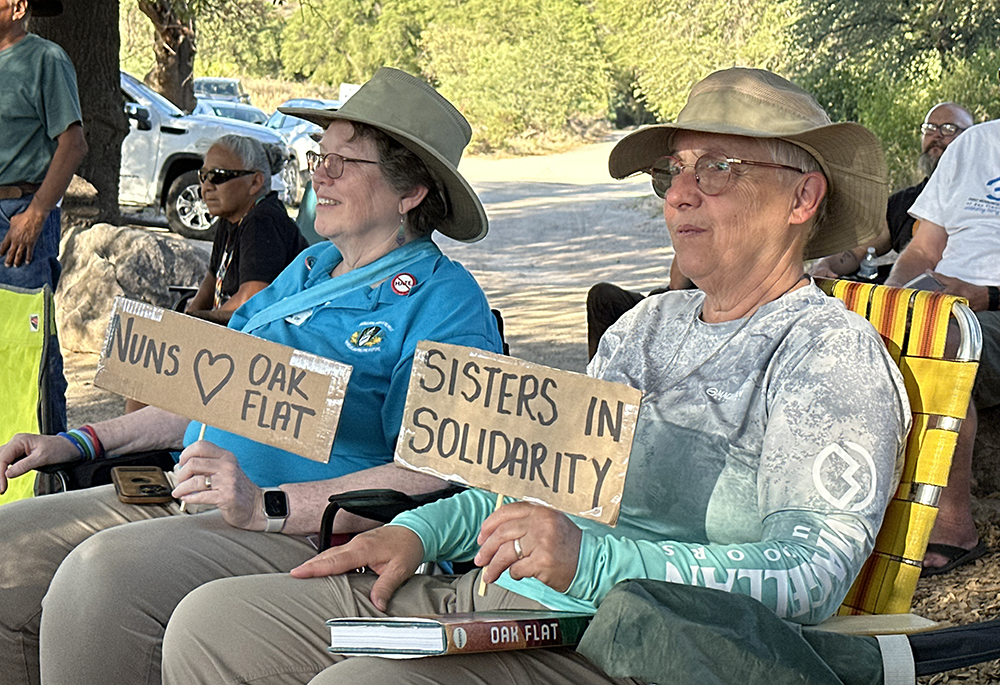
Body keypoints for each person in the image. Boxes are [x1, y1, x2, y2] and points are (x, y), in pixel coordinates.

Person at [160, 68, 911, 685]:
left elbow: (812, 573)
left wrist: (594, 557)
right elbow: (538, 479)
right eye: (671, 170)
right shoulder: (646, 328)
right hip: (508, 599)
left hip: (630, 645)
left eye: (718, 167)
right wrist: (420, 531)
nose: (680, 193)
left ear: (803, 197)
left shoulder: (826, 355)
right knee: (216, 625)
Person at [0, 67, 502, 685]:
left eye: (348, 161)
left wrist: (266, 504)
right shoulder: (313, 267)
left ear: (411, 192)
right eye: (322, 155)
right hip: (188, 493)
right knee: (5, 551)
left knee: (101, 576)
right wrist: (78, 442)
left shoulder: (446, 303)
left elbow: (438, 468)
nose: (322, 172)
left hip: (303, 527)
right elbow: (216, 391)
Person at [883, 114, 1000, 577]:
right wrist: (889, 300)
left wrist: (983, 296)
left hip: (986, 308)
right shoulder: (974, 144)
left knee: (945, 338)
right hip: (946, 300)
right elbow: (921, 251)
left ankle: (954, 528)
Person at [0, 0, 88, 433]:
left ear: (17, 6)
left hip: (17, 215)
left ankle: (48, 466)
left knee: (27, 346)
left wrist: (36, 213)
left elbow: (73, 144)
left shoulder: (45, 59)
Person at [810, 101, 974, 280]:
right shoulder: (905, 202)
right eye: (929, 128)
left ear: (973, 139)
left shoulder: (986, 198)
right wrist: (824, 266)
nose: (936, 135)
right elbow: (857, 250)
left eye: (949, 129)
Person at [183, 135, 308, 325]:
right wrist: (184, 320)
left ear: (255, 182)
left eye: (218, 176)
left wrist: (201, 326)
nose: (206, 187)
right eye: (203, 176)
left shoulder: (263, 221)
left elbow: (252, 297)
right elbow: (212, 278)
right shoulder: (232, 217)